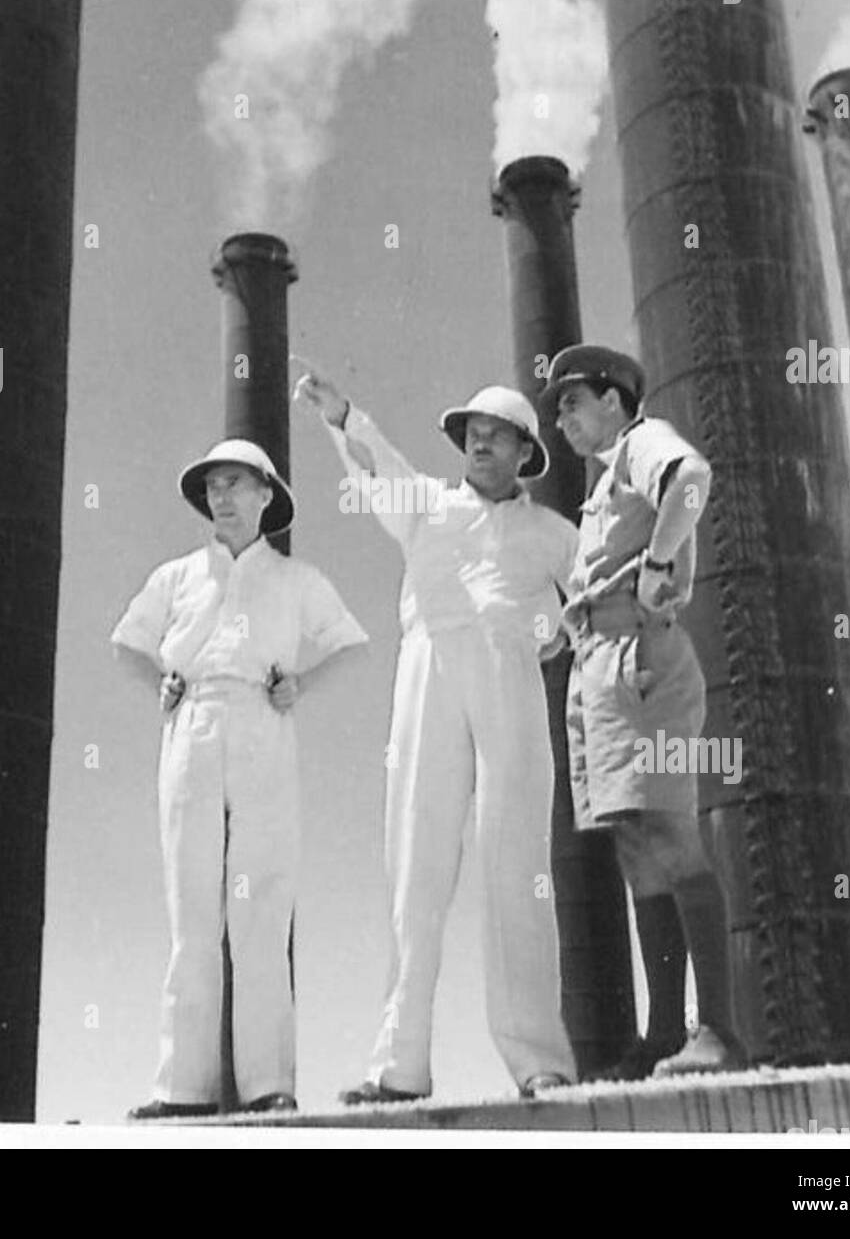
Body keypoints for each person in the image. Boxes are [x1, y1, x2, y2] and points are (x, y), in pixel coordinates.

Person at [294, 365, 578, 1103]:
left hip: (509, 681)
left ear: (525, 454)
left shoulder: (552, 532)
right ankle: (399, 1066)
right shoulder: (423, 505)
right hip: (427, 671)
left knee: (517, 857)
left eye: (497, 436)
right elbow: (375, 463)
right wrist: (342, 414)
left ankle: (537, 1061)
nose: (480, 443)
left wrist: (546, 631)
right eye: (472, 433)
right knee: (415, 862)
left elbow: (593, 601)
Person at [112, 438, 367, 1119]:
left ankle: (268, 1086)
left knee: (262, 908)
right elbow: (126, 641)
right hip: (191, 724)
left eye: (235, 483)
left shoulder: (296, 578)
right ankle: (181, 1089)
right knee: (191, 910)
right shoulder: (175, 576)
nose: (221, 497)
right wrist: (159, 680)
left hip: (262, 721)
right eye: (213, 486)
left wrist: (300, 686)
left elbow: (350, 643)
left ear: (265, 495)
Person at [543, 344, 745, 1078]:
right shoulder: (600, 489)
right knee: (632, 845)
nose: (560, 418)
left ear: (612, 400)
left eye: (571, 402)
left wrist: (661, 561)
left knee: (666, 828)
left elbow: (691, 479)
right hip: (597, 669)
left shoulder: (639, 446)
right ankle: (664, 1036)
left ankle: (717, 1030)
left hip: (641, 663)